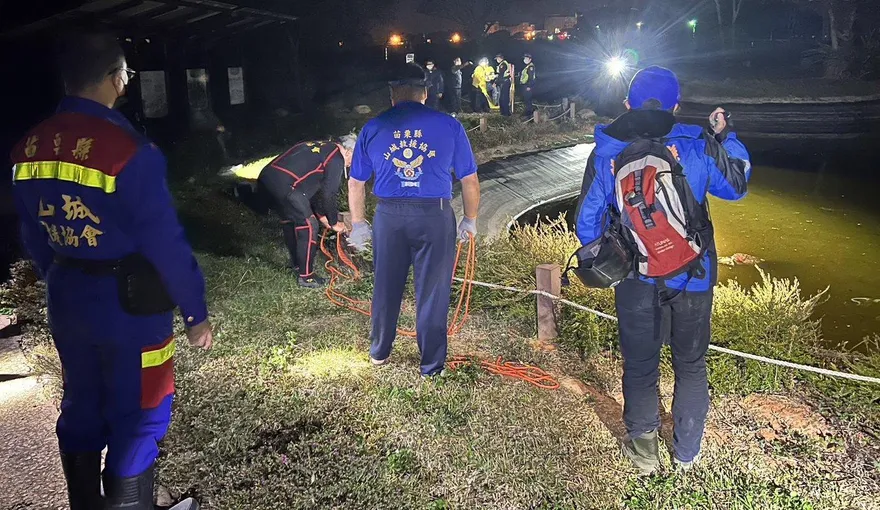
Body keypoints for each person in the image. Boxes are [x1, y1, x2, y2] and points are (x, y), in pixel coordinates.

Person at [10, 33, 211, 509]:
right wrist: (194, 310)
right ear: (115, 79)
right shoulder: (129, 149)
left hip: (66, 294)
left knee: (81, 403)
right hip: (130, 305)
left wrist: (62, 272)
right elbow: (165, 241)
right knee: (140, 412)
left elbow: (32, 232)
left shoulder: (27, 147)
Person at [574, 66, 751, 474]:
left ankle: (643, 453)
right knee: (690, 364)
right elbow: (737, 186)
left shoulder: (606, 152)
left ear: (626, 105)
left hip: (636, 276)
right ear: (676, 105)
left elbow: (586, 222)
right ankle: (687, 453)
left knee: (640, 364)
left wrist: (617, 250)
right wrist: (728, 138)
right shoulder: (697, 143)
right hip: (694, 273)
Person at [346, 64, 481, 377]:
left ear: (393, 95)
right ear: (426, 93)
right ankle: (431, 365)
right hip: (434, 215)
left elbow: (356, 182)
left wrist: (358, 223)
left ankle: (379, 352)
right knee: (433, 291)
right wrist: (469, 220)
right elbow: (470, 180)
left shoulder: (373, 127)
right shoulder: (449, 126)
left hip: (389, 215)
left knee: (385, 285)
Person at [257, 135, 355, 288]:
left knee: (290, 220)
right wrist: (334, 223)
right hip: (286, 183)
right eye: (352, 160)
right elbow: (329, 194)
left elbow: (313, 190)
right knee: (309, 225)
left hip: (268, 178)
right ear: (348, 152)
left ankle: (298, 265)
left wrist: (323, 216)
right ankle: (306, 276)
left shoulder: (320, 147)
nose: (349, 166)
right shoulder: (335, 157)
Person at [520, 53, 536, 118]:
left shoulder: (530, 67)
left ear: (530, 59)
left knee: (528, 100)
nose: (524, 59)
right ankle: (527, 113)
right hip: (525, 85)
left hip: (528, 86)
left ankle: (529, 115)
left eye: (526, 58)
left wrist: (529, 86)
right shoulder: (527, 67)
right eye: (524, 58)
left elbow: (531, 77)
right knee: (526, 100)